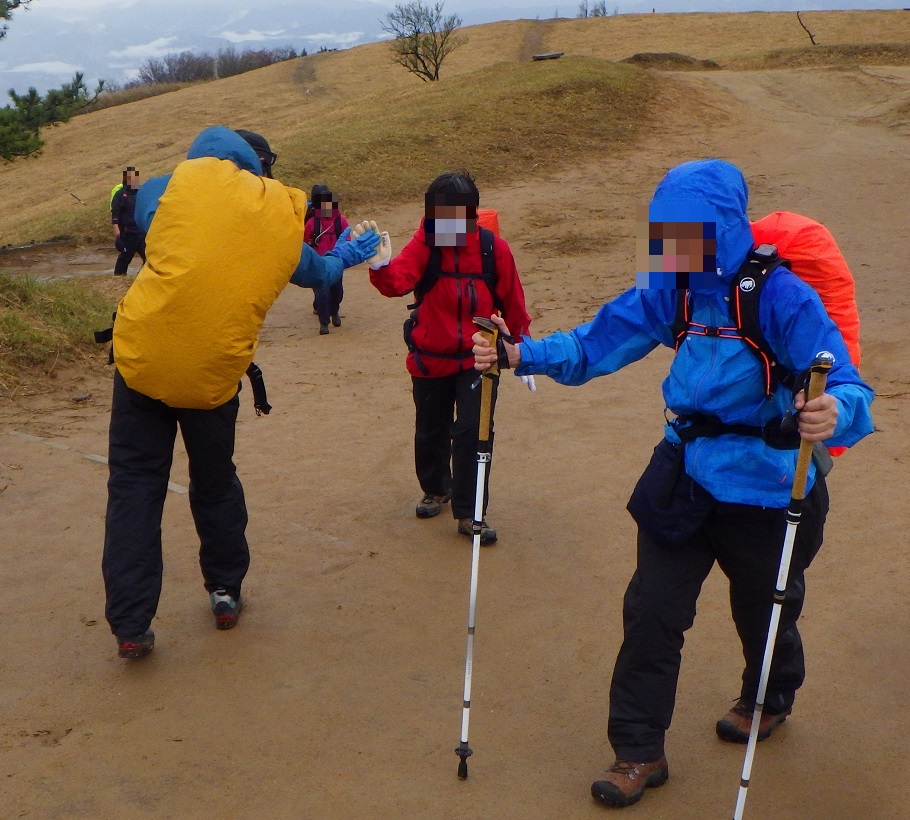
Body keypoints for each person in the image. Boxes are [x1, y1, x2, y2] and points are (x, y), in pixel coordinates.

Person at [473, 159, 874, 808]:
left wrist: (836, 410)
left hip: (769, 489)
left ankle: (768, 698)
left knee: (765, 609)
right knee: (651, 612)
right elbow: (599, 342)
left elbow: (847, 381)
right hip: (684, 476)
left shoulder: (778, 295)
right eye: (666, 230)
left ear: (721, 227)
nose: (674, 243)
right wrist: (522, 354)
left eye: (688, 230)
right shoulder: (675, 289)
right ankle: (638, 752)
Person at [102, 126, 381, 660]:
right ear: (258, 168)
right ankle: (225, 590)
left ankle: (131, 625)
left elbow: (145, 213)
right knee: (214, 481)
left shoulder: (168, 188)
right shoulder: (277, 214)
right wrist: (349, 252)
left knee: (135, 489)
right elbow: (316, 271)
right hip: (212, 372)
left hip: (142, 359)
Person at [369, 171, 531, 544]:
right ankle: (436, 487)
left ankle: (471, 513)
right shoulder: (426, 242)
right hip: (429, 360)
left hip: (480, 358)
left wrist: (523, 351)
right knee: (431, 428)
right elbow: (398, 281)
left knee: (475, 433)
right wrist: (380, 267)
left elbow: (514, 302)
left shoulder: (494, 250)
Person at [305, 184, 349, 335]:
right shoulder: (312, 223)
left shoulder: (341, 221)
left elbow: (346, 240)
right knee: (322, 292)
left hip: (336, 260)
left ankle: (334, 311)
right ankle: (324, 322)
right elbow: (305, 242)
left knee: (337, 291)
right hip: (319, 262)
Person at [111, 166, 146, 276]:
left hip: (140, 231)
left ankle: (143, 278)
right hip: (127, 232)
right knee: (125, 257)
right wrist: (117, 231)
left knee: (148, 257)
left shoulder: (140, 193)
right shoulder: (120, 194)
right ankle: (118, 276)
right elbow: (115, 213)